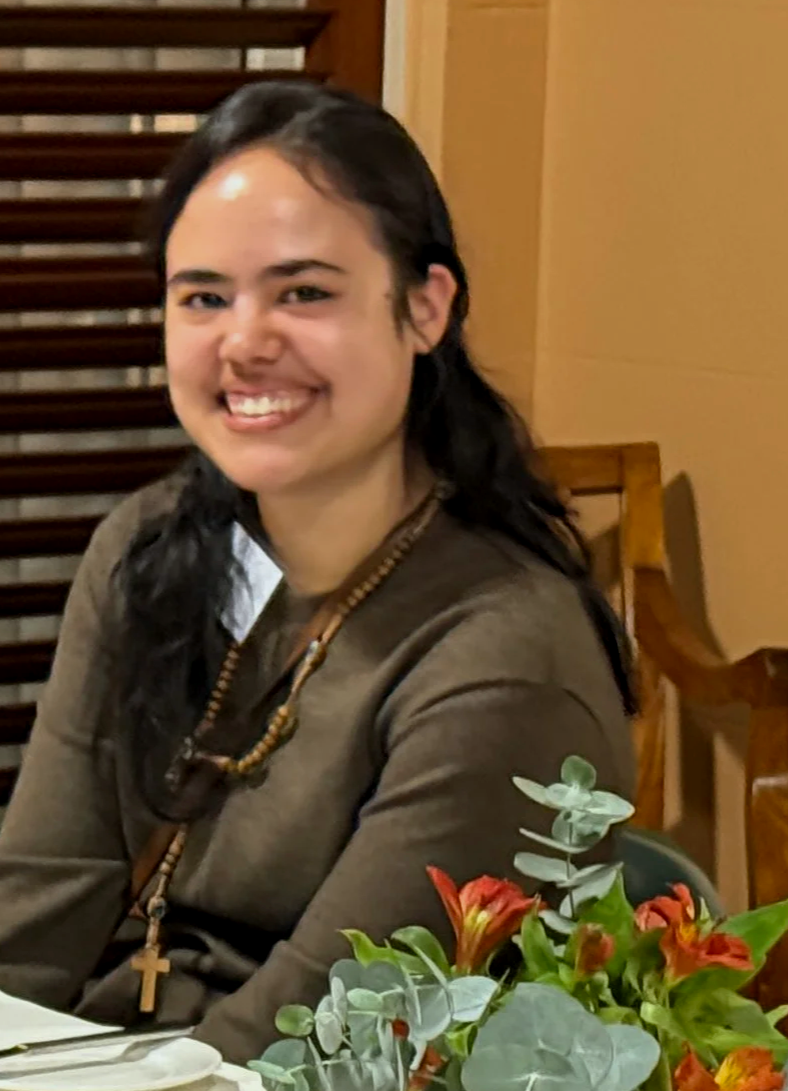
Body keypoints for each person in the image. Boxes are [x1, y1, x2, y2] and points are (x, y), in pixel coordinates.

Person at [0, 80, 637, 1060]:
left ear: (425, 308)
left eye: (304, 293)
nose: (245, 342)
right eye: (204, 297)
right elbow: (34, 909)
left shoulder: (505, 657)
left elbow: (314, 1043)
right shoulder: (149, 547)